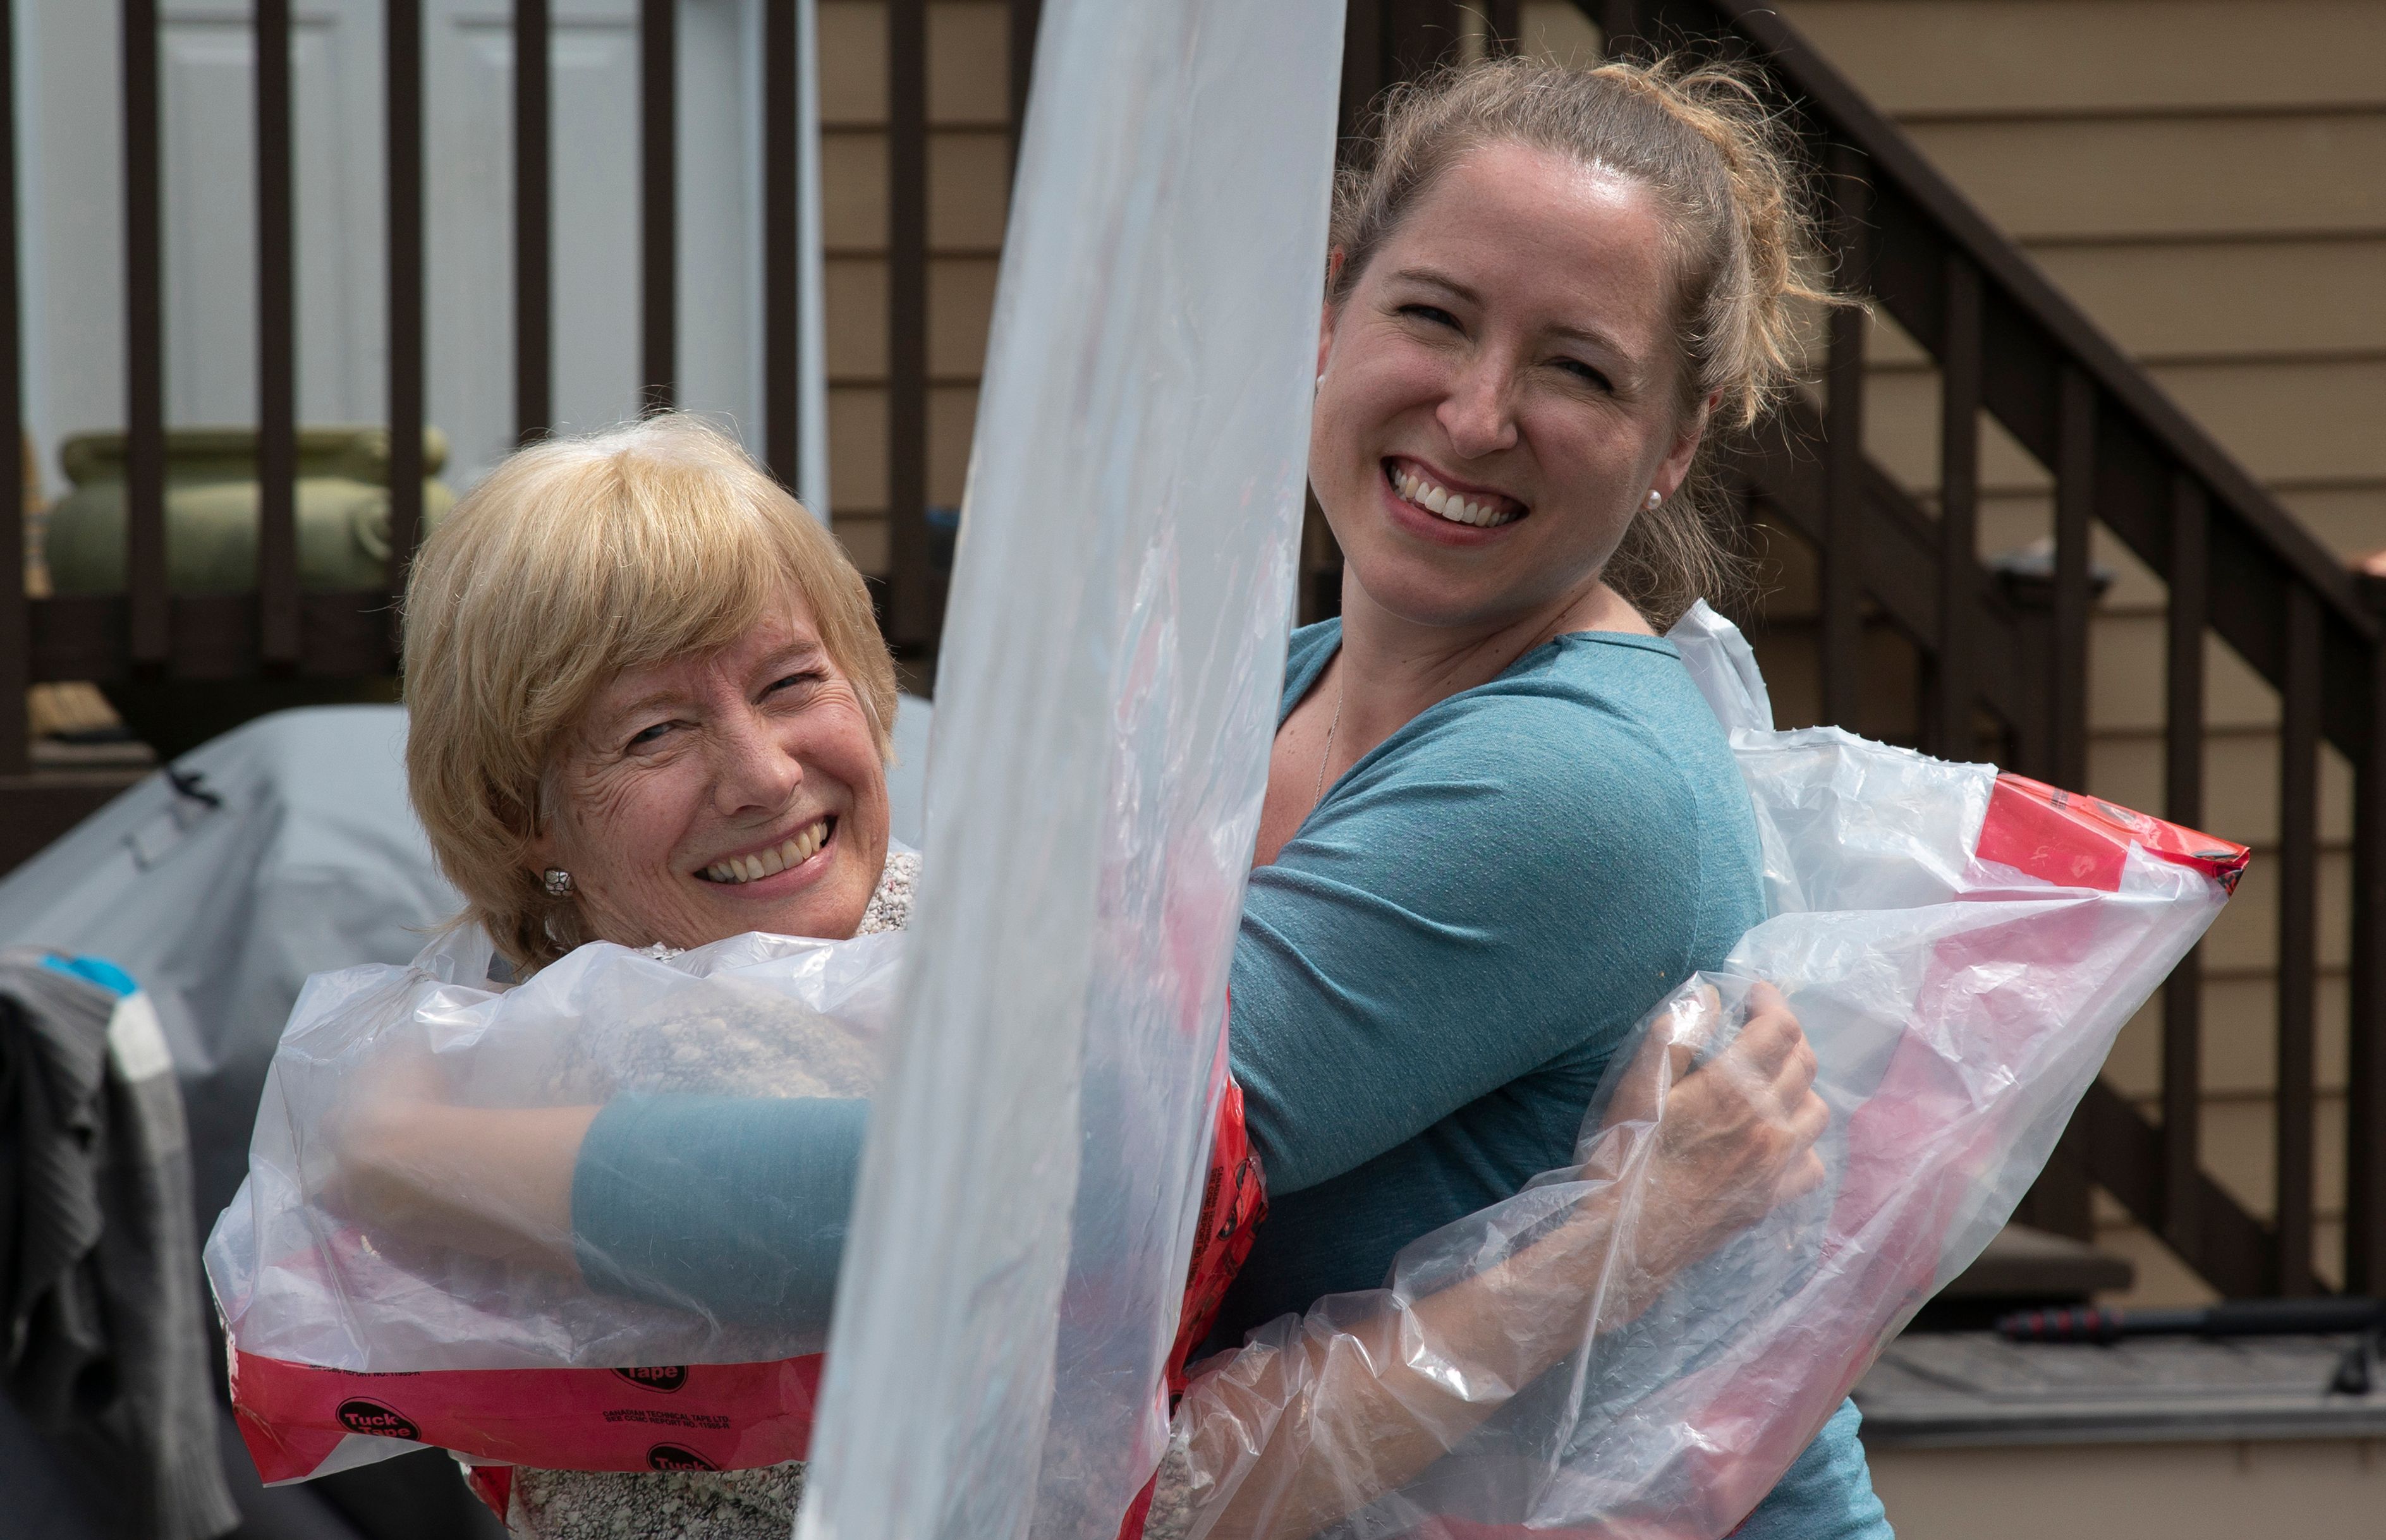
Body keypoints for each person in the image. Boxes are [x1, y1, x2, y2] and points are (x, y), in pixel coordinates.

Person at [346, 48, 1887, 1540]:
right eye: (1435, 316)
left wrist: (402, 1142)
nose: (1478, 414)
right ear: (1329, 313)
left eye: (1576, 368)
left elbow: (1035, 1191)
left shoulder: (1569, 782)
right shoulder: (1260, 702)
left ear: (1678, 439)